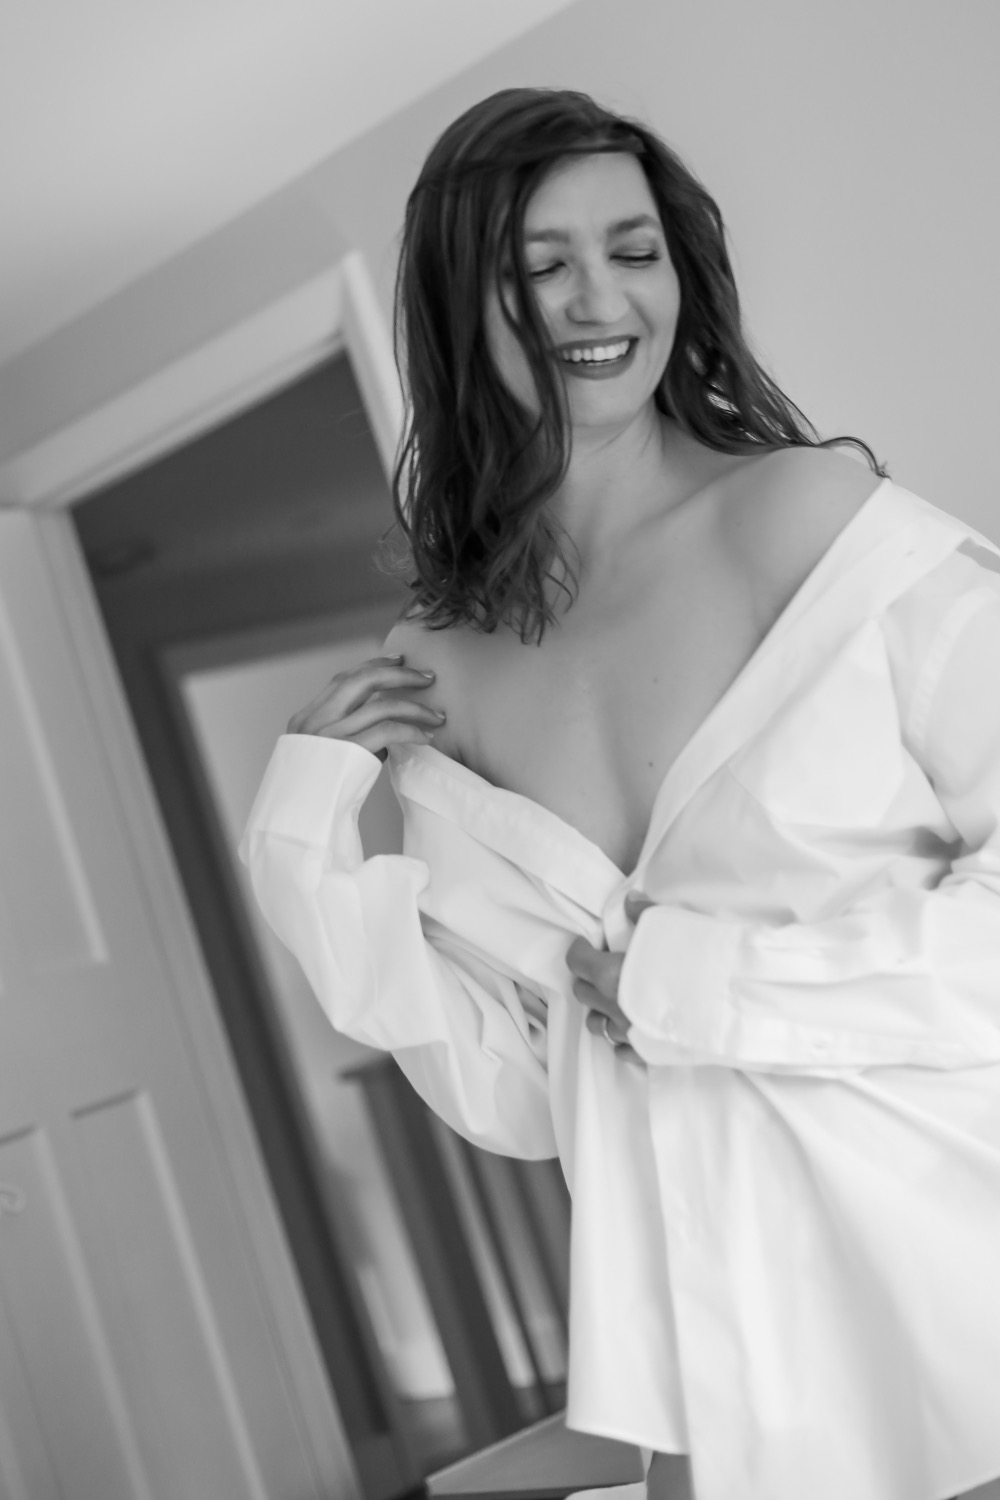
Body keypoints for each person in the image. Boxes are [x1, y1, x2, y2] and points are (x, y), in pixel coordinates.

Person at [240, 89, 1000, 1500]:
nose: (601, 300)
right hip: (710, 1385)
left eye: (634, 250)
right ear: (459, 306)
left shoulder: (813, 522)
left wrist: (710, 986)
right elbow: (520, 1095)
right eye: (542, 266)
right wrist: (298, 845)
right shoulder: (441, 665)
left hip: (958, 1302)